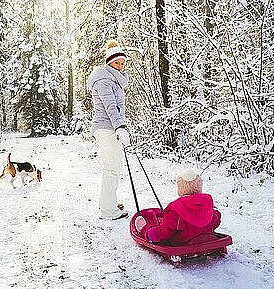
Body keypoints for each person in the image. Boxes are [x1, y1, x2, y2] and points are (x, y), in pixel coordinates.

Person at [87, 39, 131, 220]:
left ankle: (108, 204)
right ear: (109, 62)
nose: (120, 66)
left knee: (114, 167)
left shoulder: (113, 79)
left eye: (122, 63)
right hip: (107, 128)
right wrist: (120, 126)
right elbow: (110, 107)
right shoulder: (104, 80)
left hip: (111, 127)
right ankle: (108, 211)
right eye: (116, 63)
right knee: (112, 168)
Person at [135, 169, 221, 245]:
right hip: (206, 238)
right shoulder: (207, 205)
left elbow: (164, 233)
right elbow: (216, 219)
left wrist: (148, 232)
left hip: (183, 243)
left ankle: (145, 229)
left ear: (181, 189)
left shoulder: (176, 210)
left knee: (160, 231)